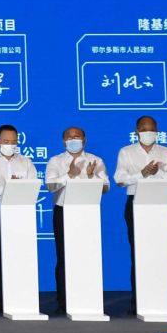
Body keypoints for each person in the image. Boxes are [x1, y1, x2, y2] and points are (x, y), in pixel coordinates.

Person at [114, 115, 167, 305]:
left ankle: (163, 300)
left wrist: (159, 171)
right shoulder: (126, 152)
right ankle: (139, 301)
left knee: (162, 252)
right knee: (139, 252)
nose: (147, 132)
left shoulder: (166, 152)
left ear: (157, 131)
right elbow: (119, 179)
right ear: (137, 131)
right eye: (143, 129)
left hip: (162, 203)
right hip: (136, 202)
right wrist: (141, 174)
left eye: (151, 129)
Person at [45, 126, 106, 315]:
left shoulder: (95, 160)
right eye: (69, 137)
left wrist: (91, 176)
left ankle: (89, 299)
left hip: (88, 213)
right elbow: (50, 186)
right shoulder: (56, 161)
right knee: (64, 256)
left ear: (84, 140)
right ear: (63, 141)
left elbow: (105, 187)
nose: (73, 140)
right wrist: (69, 174)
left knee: (88, 255)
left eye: (77, 136)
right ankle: (64, 301)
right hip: (63, 211)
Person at [0, 124, 38, 315]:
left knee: (21, 253)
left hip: (21, 210)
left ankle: (22, 297)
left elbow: (33, 186)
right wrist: (10, 186)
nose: (9, 145)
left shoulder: (26, 162)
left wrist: (9, 187)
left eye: (13, 142)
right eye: (5, 141)